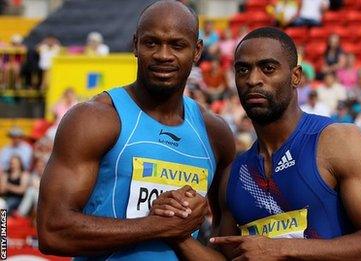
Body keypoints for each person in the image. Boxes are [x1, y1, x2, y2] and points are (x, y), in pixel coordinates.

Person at [152, 27, 361, 260]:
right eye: (243, 70)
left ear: (296, 76)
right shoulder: (234, 175)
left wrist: (281, 248)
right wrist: (175, 232)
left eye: (268, 68)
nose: (253, 79)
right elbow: (226, 257)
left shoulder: (338, 142)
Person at [37, 1, 235, 260]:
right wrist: (159, 226)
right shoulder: (94, 119)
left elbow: (224, 241)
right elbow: (52, 231)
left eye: (177, 45)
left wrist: (179, 236)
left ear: (197, 50)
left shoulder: (215, 132)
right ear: (135, 45)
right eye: (151, 43)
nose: (163, 55)